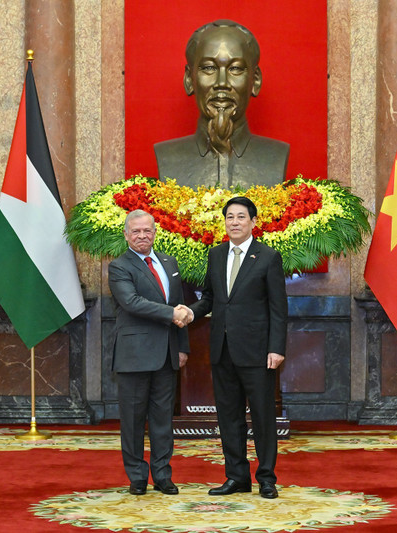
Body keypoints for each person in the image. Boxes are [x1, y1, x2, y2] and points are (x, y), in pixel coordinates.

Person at [186, 197, 287, 499]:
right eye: (229, 217)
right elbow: (210, 298)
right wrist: (190, 312)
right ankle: (236, 477)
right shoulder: (216, 254)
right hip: (222, 349)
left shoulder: (268, 257)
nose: (234, 222)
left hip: (258, 352)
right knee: (228, 417)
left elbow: (278, 307)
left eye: (241, 217)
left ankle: (266, 478)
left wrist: (277, 347)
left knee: (262, 416)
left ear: (254, 222)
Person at [108, 210, 191, 495]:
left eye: (147, 230)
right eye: (136, 231)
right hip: (134, 356)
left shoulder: (169, 262)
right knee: (132, 420)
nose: (142, 236)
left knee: (163, 419)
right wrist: (172, 313)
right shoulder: (119, 266)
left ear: (155, 232)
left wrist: (182, 347)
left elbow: (179, 303)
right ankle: (137, 477)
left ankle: (163, 475)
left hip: (168, 355)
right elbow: (132, 303)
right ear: (126, 235)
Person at [154, 19, 289, 190]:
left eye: (235, 69)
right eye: (209, 68)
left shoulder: (276, 155)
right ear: (189, 80)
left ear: (255, 80)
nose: (222, 83)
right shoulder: (167, 156)